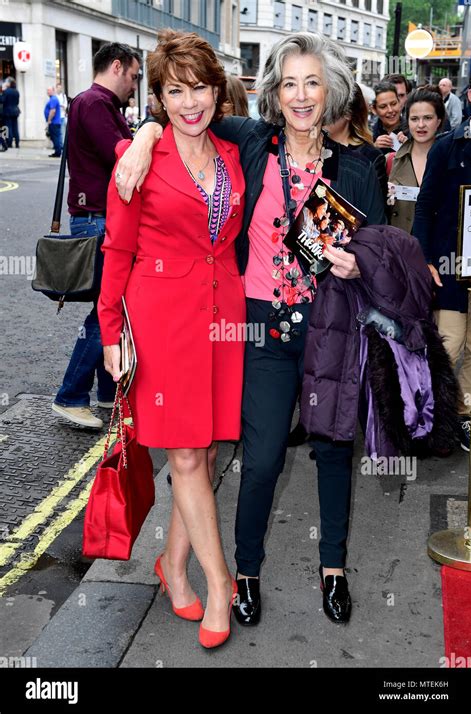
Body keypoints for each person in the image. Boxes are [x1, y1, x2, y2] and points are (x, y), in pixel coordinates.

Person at [116, 31, 386, 627]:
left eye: (312, 82)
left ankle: (333, 570)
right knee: (259, 459)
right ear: (273, 92)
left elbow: (383, 255)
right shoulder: (252, 142)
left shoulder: (362, 169)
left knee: (333, 451)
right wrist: (143, 136)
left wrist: (360, 262)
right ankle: (246, 573)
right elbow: (187, 116)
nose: (300, 95)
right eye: (289, 82)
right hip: (260, 329)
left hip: (329, 330)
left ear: (331, 90)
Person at [99, 29, 245, 649]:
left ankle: (174, 568)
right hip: (163, 319)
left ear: (217, 91)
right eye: (175, 92)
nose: (191, 103)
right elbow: (117, 249)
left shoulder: (234, 151)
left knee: (207, 453)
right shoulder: (139, 159)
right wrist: (111, 333)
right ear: (157, 96)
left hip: (223, 314)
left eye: (200, 88)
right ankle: (219, 583)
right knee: (184, 455)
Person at [51, 43, 140, 429]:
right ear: (117, 67)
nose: (135, 85)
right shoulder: (95, 103)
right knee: (106, 311)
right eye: (134, 76)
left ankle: (107, 394)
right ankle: (70, 396)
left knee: (111, 307)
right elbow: (122, 154)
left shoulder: (93, 104)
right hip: (98, 220)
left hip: (97, 218)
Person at [412, 75, 471, 452]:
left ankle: (464, 418)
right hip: (450, 269)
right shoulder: (448, 147)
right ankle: (424, 419)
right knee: (449, 344)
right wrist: (426, 259)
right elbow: (424, 206)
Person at [388, 86, 446, 235]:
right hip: (399, 249)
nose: (420, 125)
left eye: (427, 118)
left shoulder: (453, 160)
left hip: (439, 250)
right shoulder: (390, 161)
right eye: (414, 119)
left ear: (438, 120)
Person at [325, 83, 387, 215]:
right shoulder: (313, 149)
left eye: (328, 109)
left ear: (348, 114)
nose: (321, 114)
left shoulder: (370, 156)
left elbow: (375, 216)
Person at [372, 81, 408, 155]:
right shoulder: (368, 135)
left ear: (399, 103)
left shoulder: (413, 130)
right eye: (383, 107)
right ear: (374, 110)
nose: (390, 110)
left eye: (393, 104)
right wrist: (373, 149)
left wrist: (410, 148)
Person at [44, 87, 62, 157]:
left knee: (55, 137)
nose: (47, 92)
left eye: (49, 90)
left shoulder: (53, 99)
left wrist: (49, 120)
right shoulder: (52, 99)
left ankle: (57, 152)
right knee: (54, 137)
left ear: (53, 91)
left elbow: (53, 111)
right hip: (54, 122)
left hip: (54, 122)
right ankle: (57, 151)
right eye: (47, 90)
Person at [3, 78, 20, 149]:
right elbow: (17, 102)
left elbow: (2, 100)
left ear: (9, 83)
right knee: (15, 127)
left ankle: (9, 143)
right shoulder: (16, 91)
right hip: (15, 111)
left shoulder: (6, 91)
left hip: (8, 111)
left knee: (9, 127)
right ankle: (17, 143)